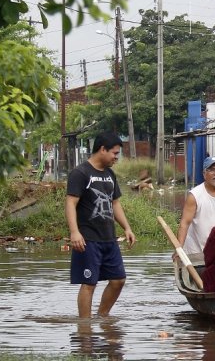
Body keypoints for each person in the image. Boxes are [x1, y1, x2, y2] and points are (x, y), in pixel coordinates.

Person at [65, 132, 136, 318]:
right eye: (114, 153)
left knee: (118, 280)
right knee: (89, 283)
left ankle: (103, 317)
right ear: (102, 149)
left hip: (109, 238)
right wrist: (74, 232)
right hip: (88, 238)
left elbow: (115, 203)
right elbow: (70, 203)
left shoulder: (109, 174)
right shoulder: (80, 173)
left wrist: (127, 228)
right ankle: (85, 326)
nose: (116, 158)